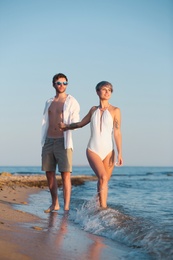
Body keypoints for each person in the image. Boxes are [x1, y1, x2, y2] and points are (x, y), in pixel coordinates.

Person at [59, 81, 123, 208]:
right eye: (104, 89)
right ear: (97, 91)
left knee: (103, 181)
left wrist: (119, 153)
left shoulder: (116, 110)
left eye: (110, 90)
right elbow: (81, 124)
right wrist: (66, 126)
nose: (107, 92)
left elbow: (117, 132)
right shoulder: (93, 110)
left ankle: (97, 206)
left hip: (109, 151)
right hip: (93, 150)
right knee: (103, 177)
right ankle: (104, 210)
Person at [41, 73, 80, 213]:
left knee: (65, 174)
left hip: (64, 141)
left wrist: (68, 126)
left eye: (64, 83)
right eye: (58, 83)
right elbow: (46, 122)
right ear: (53, 85)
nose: (62, 85)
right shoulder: (49, 102)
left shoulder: (71, 101)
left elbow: (77, 122)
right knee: (49, 173)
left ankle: (67, 207)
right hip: (48, 140)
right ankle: (55, 204)